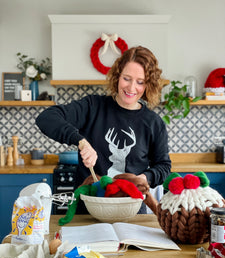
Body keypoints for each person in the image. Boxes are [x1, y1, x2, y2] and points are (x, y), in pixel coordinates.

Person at [36, 46, 171, 214]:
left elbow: (164, 166)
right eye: (127, 78)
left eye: (140, 82)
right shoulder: (93, 107)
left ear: (148, 84)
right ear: (117, 76)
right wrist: (81, 141)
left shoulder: (153, 122)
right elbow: (46, 118)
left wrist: (142, 179)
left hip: (132, 213)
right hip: (88, 214)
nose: (131, 88)